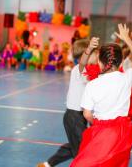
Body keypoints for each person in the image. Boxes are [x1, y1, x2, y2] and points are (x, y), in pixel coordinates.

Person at [69, 24, 132, 167]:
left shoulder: (92, 85)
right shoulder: (126, 78)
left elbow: (87, 114)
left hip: (103, 131)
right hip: (123, 131)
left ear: (100, 63)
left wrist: (96, 121)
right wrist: (127, 39)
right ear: (121, 62)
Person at [37, 38, 99, 167]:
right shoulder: (78, 69)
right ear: (85, 54)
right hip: (73, 117)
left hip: (80, 117)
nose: (97, 55)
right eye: (95, 53)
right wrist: (89, 50)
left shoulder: (92, 71)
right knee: (82, 150)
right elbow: (83, 62)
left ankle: (48, 164)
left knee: (74, 146)